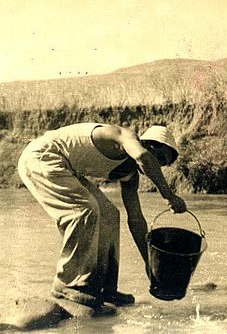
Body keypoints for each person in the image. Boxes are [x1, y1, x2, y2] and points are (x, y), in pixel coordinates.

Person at [17, 123, 187, 309]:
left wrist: (149, 262)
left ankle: (105, 288)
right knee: (84, 210)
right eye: (160, 158)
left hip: (67, 168)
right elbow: (143, 157)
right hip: (42, 157)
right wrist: (169, 195)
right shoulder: (124, 136)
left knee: (110, 215)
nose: (159, 165)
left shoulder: (129, 175)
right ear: (149, 144)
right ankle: (68, 283)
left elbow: (136, 220)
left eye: (163, 164)